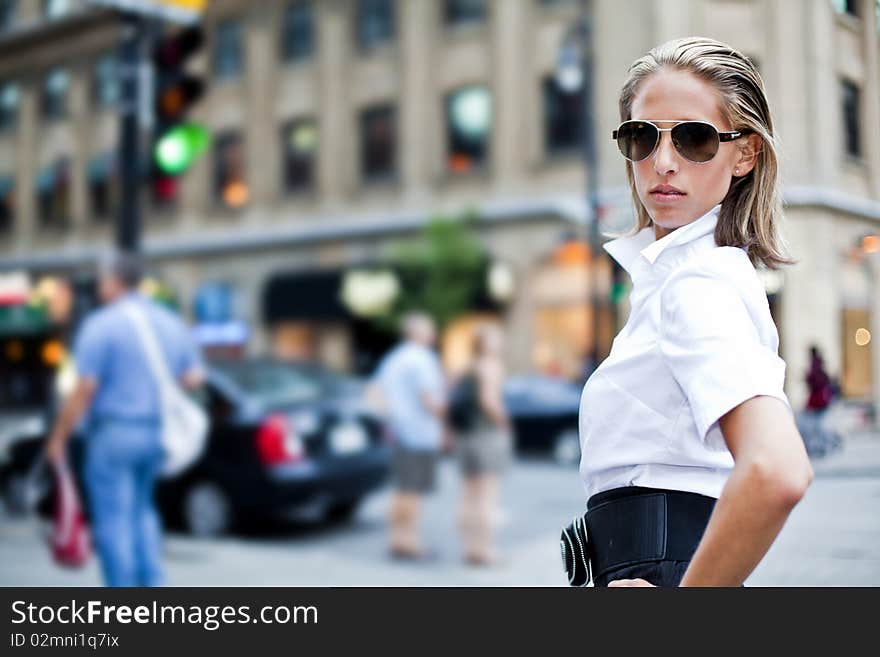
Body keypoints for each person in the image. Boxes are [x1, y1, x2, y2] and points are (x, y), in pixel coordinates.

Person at [575, 37, 813, 588]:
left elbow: (777, 470)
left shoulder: (698, 283)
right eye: (641, 137)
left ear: (745, 154)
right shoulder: (672, 281)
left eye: (695, 139)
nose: (662, 162)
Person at [45, 251, 204, 587]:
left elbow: (84, 388)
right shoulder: (169, 320)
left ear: (115, 281)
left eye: (102, 278)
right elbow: (194, 378)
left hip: (114, 432)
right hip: (157, 432)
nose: (100, 286)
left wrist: (58, 438)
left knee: (114, 519)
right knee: (143, 511)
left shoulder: (101, 325)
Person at [371, 312, 446, 561]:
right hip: (419, 433)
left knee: (401, 489)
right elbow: (429, 399)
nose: (433, 334)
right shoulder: (421, 359)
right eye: (429, 329)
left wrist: (390, 419)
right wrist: (446, 422)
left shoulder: (393, 359)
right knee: (413, 491)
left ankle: (397, 539)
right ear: (418, 332)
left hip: (399, 432)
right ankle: (410, 542)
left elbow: (374, 391)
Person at [453, 324, 512, 566]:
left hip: (466, 435)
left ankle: (470, 548)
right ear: (486, 343)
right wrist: (504, 422)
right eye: (496, 338)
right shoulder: (492, 366)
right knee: (487, 495)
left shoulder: (468, 367)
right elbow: (488, 401)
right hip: (486, 435)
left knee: (468, 496)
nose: (500, 342)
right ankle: (484, 550)